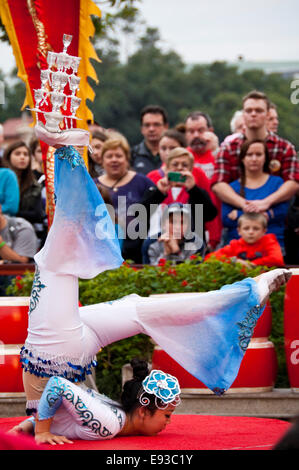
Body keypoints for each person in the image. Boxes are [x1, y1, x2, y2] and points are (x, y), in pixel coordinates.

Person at [15, 124, 291, 445]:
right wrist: (39, 423)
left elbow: (58, 390)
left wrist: (40, 427)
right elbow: (59, 393)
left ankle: (72, 152)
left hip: (58, 353)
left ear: (143, 410)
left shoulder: (109, 422)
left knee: (60, 262)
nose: (168, 422)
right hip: (62, 353)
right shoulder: (112, 419)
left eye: (168, 415)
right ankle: (248, 292)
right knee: (135, 303)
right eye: (168, 415)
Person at [212, 90, 299, 213]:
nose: (253, 114)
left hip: (276, 219)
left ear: (267, 114)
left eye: (258, 110)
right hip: (238, 220)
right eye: (248, 110)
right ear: (243, 114)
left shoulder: (284, 148)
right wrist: (245, 204)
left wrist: (266, 202)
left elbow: (293, 182)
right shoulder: (228, 148)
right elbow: (218, 184)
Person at [221, 139, 290, 251]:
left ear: (265, 158)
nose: (254, 159)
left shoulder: (277, 183)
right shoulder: (232, 188)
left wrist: (239, 214)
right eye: (249, 154)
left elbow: (283, 213)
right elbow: (226, 219)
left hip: (272, 247)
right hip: (238, 248)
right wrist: (264, 214)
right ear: (242, 158)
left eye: (258, 154)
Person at [95, 135, 154, 263]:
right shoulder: (93, 186)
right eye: (109, 156)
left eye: (119, 156)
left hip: (136, 248)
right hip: (102, 250)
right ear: (102, 160)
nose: (114, 160)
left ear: (127, 158)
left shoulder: (143, 182)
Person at [142, 147, 218, 246]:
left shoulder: (196, 191)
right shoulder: (157, 188)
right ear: (167, 168)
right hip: (158, 246)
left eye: (184, 165)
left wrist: (193, 189)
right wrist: (159, 193)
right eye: (175, 164)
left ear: (191, 169)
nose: (179, 167)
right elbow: (140, 214)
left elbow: (210, 214)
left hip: (190, 247)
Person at [3, 141, 46, 246]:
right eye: (17, 154)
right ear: (8, 157)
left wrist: (12, 211)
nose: (22, 157)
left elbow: (38, 214)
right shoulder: (3, 179)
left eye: (25, 154)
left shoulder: (34, 184)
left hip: (26, 233)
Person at [206, 213, 284, 268]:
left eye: (256, 228)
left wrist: (249, 264)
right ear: (239, 231)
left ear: (264, 231)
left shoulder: (269, 241)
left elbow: (277, 259)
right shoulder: (235, 245)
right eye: (246, 228)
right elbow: (209, 258)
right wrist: (234, 261)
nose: (251, 232)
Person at [131, 105, 169, 175]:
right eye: (147, 125)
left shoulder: (174, 154)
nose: (151, 129)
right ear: (141, 129)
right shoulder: (132, 155)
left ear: (166, 127)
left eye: (156, 125)